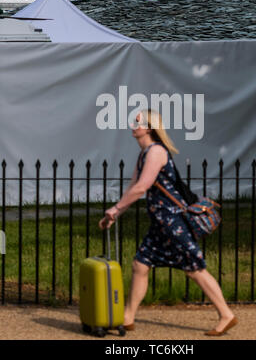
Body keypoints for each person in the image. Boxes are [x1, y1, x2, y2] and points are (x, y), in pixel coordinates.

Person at [99, 109, 238, 337]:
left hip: (174, 224)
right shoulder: (144, 154)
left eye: (138, 122)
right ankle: (128, 316)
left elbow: (142, 187)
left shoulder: (155, 152)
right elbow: (133, 189)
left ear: (149, 127)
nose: (134, 126)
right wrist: (114, 214)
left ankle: (226, 314)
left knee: (195, 268)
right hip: (160, 224)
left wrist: (115, 209)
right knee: (140, 265)